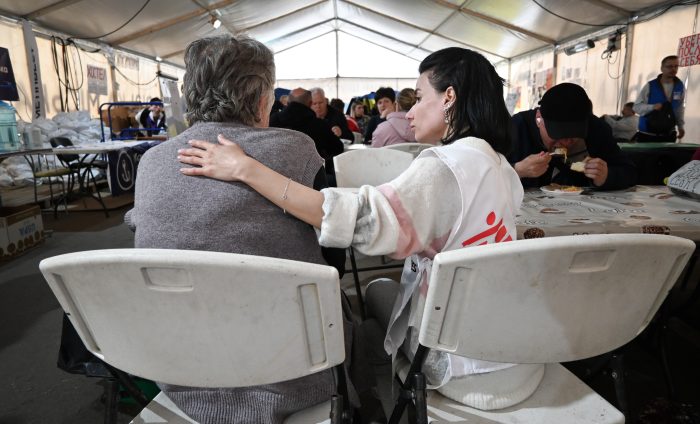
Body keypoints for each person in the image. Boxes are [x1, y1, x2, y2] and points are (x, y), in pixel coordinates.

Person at [178, 47, 544, 411]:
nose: (411, 112)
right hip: (512, 347)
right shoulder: (501, 166)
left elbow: (361, 223)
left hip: (458, 363)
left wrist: (245, 169)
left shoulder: (444, 167)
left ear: (449, 97)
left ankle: (376, 404)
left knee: (375, 291)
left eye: (418, 98)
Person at [124, 35, 344, 423]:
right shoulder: (297, 150)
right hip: (295, 370)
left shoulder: (152, 163)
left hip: (184, 371)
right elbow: (335, 256)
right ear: (263, 98)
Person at [509, 82, 637, 190]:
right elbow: (490, 175)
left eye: (574, 136)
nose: (565, 143)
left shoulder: (596, 129)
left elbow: (630, 172)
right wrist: (516, 170)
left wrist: (607, 176)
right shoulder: (515, 128)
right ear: (539, 118)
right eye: (557, 135)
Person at [270, 87, 344, 186]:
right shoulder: (319, 125)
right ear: (310, 104)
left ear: (287, 102)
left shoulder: (273, 121)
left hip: (276, 179)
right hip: (312, 183)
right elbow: (338, 148)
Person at [634, 55, 685, 143]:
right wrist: (652, 107)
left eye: (676, 66)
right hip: (647, 134)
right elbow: (636, 107)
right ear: (662, 68)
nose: (673, 69)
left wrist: (680, 126)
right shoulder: (650, 86)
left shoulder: (680, 86)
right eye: (669, 66)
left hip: (669, 134)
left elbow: (679, 109)